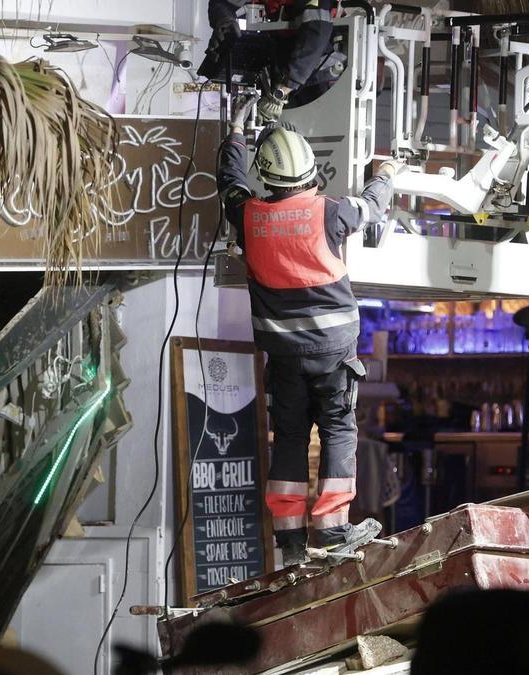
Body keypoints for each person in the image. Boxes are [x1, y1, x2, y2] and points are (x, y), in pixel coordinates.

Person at [217, 98, 403, 565]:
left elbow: (229, 183)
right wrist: (386, 172)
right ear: (309, 172)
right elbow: (375, 206)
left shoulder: (248, 215)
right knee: (339, 429)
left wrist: (236, 135)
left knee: (292, 437)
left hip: (283, 355)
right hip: (334, 353)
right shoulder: (331, 212)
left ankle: (290, 536)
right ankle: (333, 528)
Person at [200, 0, 337, 124]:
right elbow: (221, 3)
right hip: (282, 69)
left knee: (315, 136)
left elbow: (316, 34)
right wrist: (224, 20)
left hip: (318, 76)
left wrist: (281, 93)